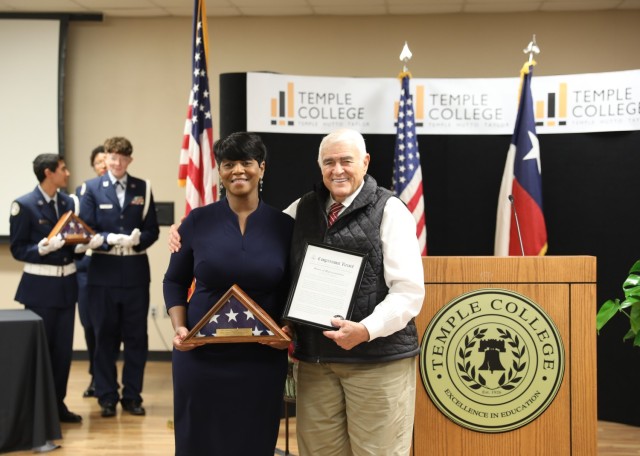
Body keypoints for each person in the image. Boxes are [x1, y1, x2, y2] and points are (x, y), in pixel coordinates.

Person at [168, 128, 425, 455]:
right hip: (317, 362)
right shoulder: (301, 210)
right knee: (319, 451)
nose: (338, 169)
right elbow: (258, 228)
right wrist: (185, 230)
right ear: (320, 167)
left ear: (365, 162)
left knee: (378, 451)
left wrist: (365, 330)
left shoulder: (391, 210)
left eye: (346, 160)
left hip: (374, 359)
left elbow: (409, 292)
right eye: (329, 162)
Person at [163, 132, 293, 456]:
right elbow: (174, 282)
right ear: (219, 171)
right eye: (228, 164)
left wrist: (290, 331)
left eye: (246, 162)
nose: (238, 170)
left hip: (261, 358)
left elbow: (295, 288)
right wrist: (179, 327)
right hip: (201, 355)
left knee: (254, 440)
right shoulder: (196, 221)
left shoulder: (285, 226)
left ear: (261, 168)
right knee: (199, 441)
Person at [9, 153, 101, 424]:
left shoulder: (67, 202)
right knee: (41, 352)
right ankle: (37, 409)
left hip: (65, 286)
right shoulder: (24, 205)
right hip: (39, 288)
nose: (67, 173)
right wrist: (40, 248)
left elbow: (71, 243)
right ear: (48, 173)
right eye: (62, 169)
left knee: (62, 354)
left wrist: (83, 247)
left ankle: (57, 405)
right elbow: (17, 248)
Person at [79, 136, 159, 418]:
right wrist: (108, 238)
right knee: (104, 337)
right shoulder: (90, 189)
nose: (117, 163)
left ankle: (132, 396)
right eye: (112, 158)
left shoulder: (143, 187)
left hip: (135, 272)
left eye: (122, 159)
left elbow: (153, 230)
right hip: (103, 272)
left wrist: (138, 240)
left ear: (129, 160)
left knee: (137, 338)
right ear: (106, 157)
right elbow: (85, 231)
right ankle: (107, 396)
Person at [74, 145, 116, 398]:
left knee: (110, 327)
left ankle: (107, 380)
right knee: (90, 324)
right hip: (86, 268)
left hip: (112, 265)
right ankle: (95, 376)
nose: (104, 165)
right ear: (93, 165)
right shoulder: (83, 192)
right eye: (99, 162)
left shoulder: (123, 194)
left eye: (107, 160)